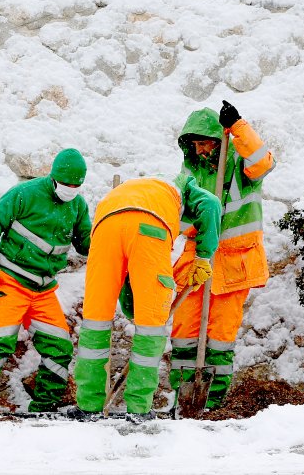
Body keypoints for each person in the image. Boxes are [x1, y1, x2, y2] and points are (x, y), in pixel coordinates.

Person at [73, 174, 221, 422]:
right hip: (149, 228)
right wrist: (203, 257)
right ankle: (139, 409)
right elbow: (212, 204)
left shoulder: (138, 189)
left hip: (104, 228)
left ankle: (88, 405)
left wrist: (132, 307)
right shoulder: (183, 191)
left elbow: (126, 281)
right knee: (151, 326)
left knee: (95, 318)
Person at [169, 100, 275, 410]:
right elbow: (178, 212)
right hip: (197, 259)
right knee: (184, 333)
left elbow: (263, 161)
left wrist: (239, 126)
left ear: (218, 140)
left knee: (220, 337)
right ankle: (183, 401)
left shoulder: (242, 167)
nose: (202, 150)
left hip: (234, 263)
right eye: (197, 144)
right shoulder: (190, 173)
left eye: (206, 142)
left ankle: (212, 404)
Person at [0, 148, 92, 413]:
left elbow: (85, 245)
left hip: (43, 288)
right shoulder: (25, 194)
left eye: (76, 185)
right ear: (54, 177)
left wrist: (105, 238)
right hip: (10, 281)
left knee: (59, 347)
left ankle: (45, 407)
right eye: (67, 184)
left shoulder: (78, 206)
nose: (71, 189)